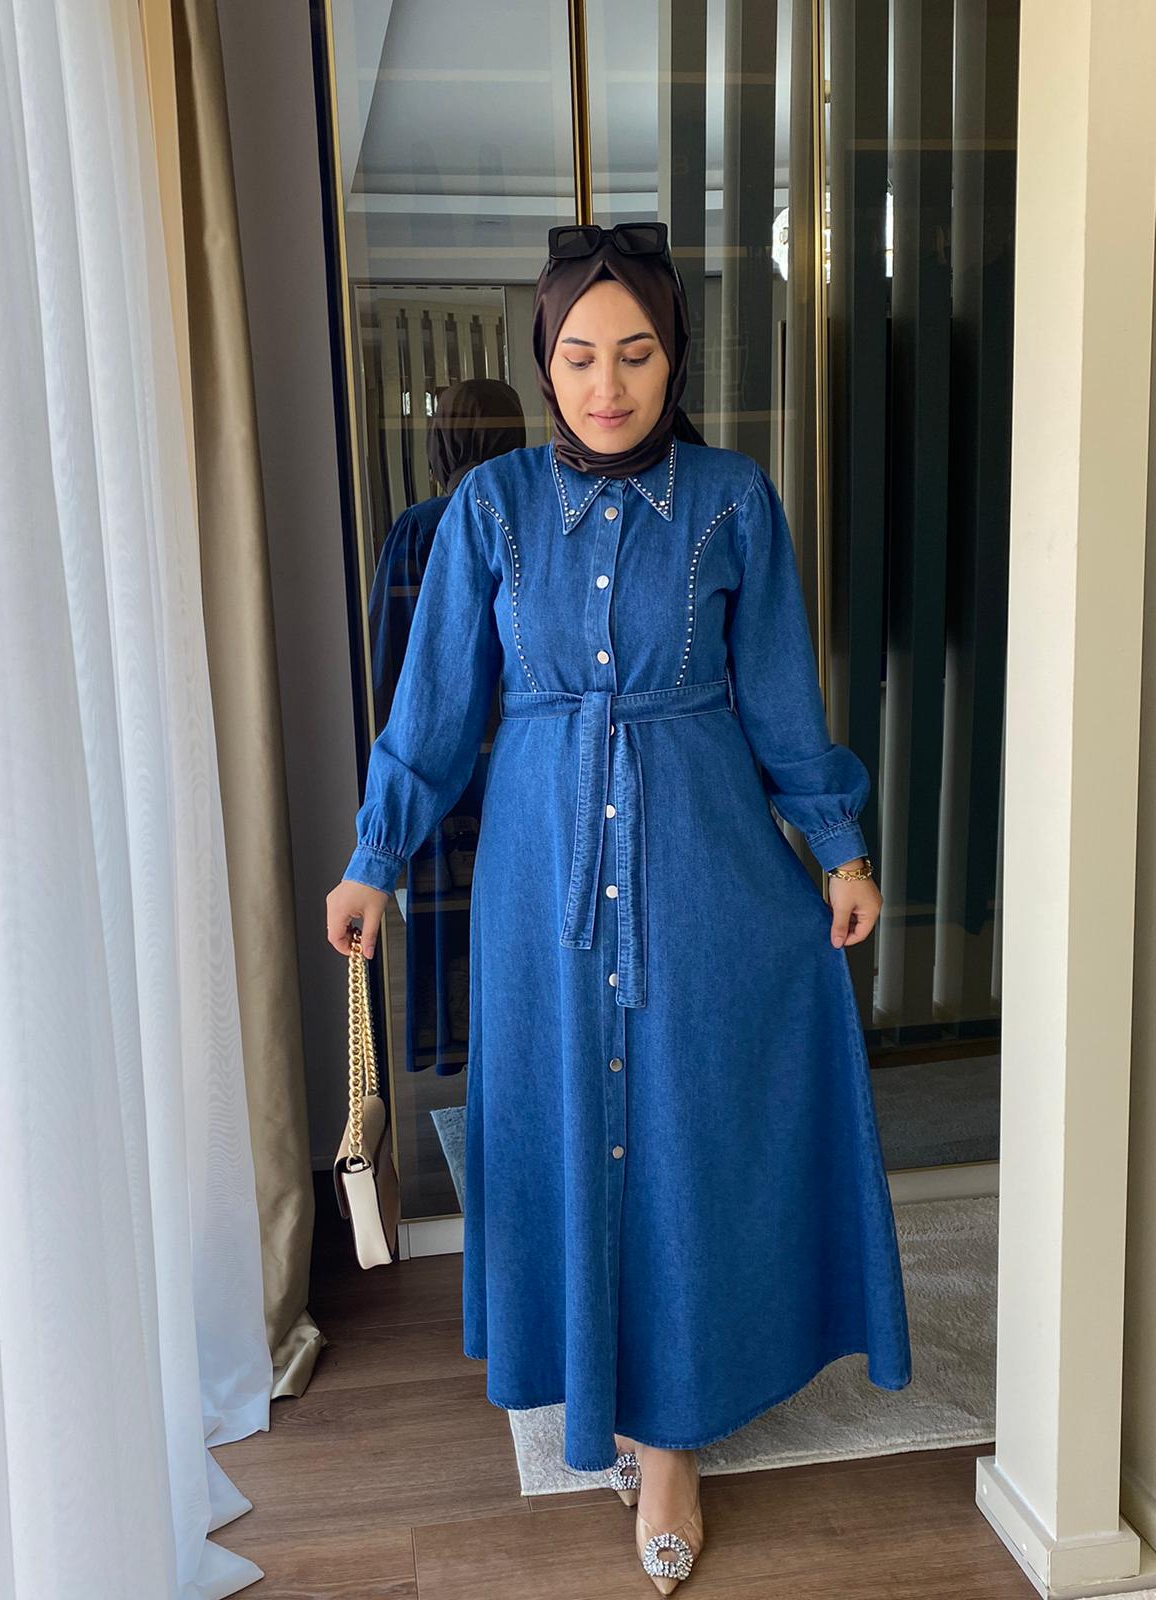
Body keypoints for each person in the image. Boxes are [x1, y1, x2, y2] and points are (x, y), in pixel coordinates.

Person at [326, 221, 913, 1594]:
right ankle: (603, 1390)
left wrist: (838, 849)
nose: (608, 384)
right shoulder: (488, 509)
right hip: (541, 883)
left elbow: (780, 699)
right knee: (563, 1127)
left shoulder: (733, 500)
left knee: (692, 1136)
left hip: (706, 869)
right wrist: (374, 856)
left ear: (673, 360)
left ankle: (671, 1442)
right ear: (545, 363)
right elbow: (434, 711)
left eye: (636, 354)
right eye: (581, 355)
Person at [365, 378, 526, 1074]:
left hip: (443, 773)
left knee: (448, 923)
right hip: (520, 768)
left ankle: (462, 1060)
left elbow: (391, 665)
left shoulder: (421, 527)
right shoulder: (532, 520)